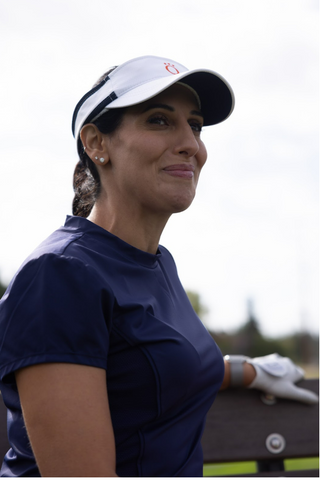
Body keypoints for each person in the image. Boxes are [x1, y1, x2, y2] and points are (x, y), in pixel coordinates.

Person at [0, 55, 317, 478]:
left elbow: (141, 367)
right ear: (96, 143)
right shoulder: (58, 276)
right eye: (159, 120)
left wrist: (245, 370)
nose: (192, 144)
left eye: (196, 125)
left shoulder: (157, 262)